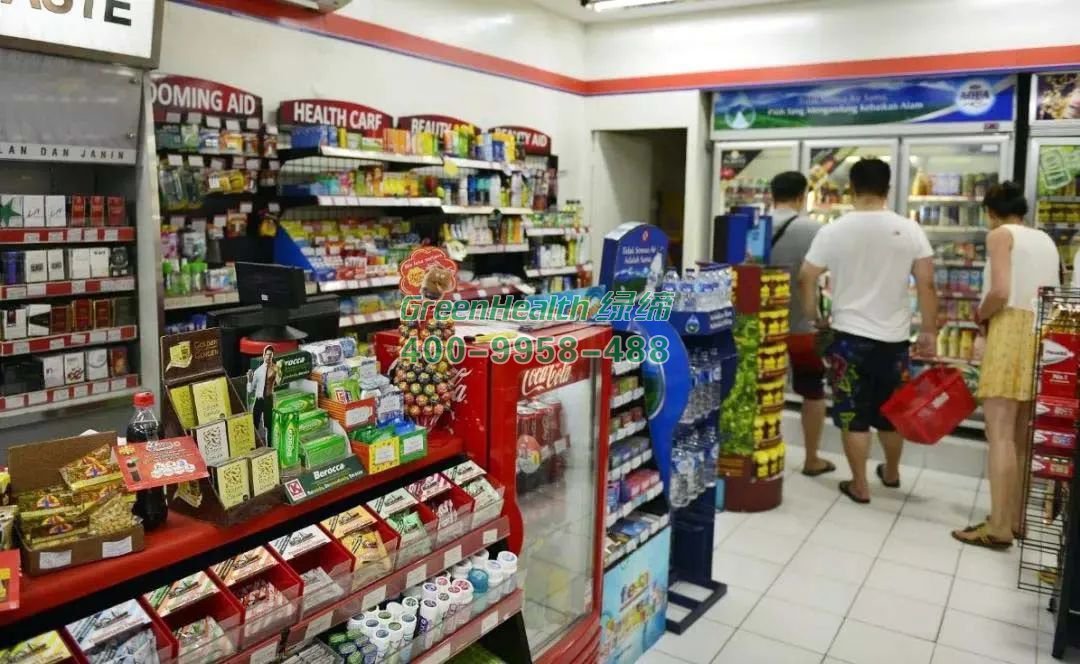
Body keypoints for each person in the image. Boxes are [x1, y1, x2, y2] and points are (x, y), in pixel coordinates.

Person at [798, 158, 937, 504]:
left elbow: (806, 276)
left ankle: (859, 484)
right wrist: (929, 331)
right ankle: (891, 473)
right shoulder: (910, 229)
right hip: (895, 340)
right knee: (892, 411)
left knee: (852, 413)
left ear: (852, 188)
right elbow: (927, 284)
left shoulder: (833, 230)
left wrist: (814, 316)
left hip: (848, 339)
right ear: (888, 188)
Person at [952, 182, 1060, 549]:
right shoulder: (1045, 240)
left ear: (991, 212)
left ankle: (998, 526)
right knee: (1021, 436)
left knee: (999, 432)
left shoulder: (1001, 235)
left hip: (1009, 329)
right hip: (1042, 332)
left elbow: (999, 291)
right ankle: (1015, 519)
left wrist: (980, 316)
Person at [768, 171, 831, 477]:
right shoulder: (814, 230)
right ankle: (811, 458)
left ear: (772, 195)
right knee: (812, 391)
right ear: (801, 196)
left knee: (762, 389)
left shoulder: (754, 226)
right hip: (802, 326)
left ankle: (761, 450)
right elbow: (823, 274)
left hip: (763, 326)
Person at [248, 345, 280, 440]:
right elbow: (250, 389)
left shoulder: (275, 369)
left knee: (269, 426)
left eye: (271, 355)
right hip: (259, 400)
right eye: (267, 354)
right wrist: (249, 380)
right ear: (264, 355)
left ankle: (269, 445)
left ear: (272, 356)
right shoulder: (258, 371)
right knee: (254, 424)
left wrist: (278, 373)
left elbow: (279, 382)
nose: (269, 357)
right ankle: (255, 443)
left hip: (268, 399)